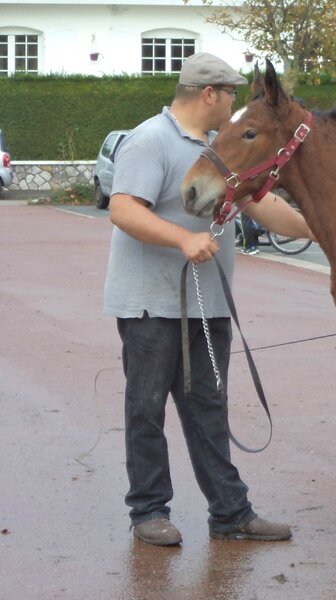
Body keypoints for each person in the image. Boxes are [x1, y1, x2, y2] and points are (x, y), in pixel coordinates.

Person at [104, 52, 313, 546]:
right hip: (149, 306)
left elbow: (262, 204)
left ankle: (230, 512)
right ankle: (148, 510)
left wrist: (323, 230)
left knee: (208, 408)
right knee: (146, 407)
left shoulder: (216, 147)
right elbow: (122, 208)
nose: (236, 104)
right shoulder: (150, 139)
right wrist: (181, 239)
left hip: (208, 304)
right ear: (209, 94)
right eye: (232, 94)